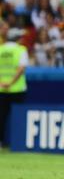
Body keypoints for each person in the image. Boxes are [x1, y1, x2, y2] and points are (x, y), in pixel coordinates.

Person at [0, 21, 29, 149]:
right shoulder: (21, 50)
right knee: (18, 116)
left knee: (1, 116)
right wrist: (11, 83)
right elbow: (21, 68)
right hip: (17, 89)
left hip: (1, 88)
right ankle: (18, 143)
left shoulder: (0, 49)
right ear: (17, 38)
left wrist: (2, 83)